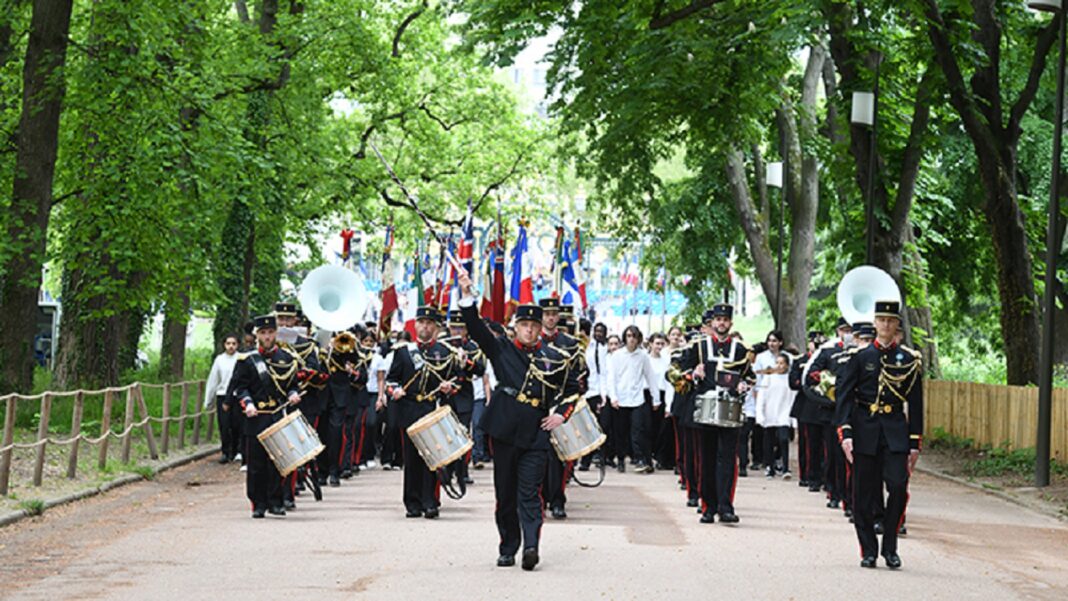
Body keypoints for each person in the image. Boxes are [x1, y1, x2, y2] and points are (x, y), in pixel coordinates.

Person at [457, 269, 581, 571]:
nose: (529, 330)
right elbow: (475, 327)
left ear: (540, 329)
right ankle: (507, 546)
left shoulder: (555, 357)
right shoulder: (501, 350)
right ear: (516, 327)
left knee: (530, 492)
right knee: (506, 493)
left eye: (533, 326)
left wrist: (559, 414)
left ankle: (531, 546)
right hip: (504, 427)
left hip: (537, 431)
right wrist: (466, 295)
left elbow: (573, 389)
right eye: (524, 325)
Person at [836, 301, 923, 569]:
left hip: (895, 432)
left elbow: (916, 404)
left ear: (897, 325)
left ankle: (890, 546)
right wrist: (846, 433)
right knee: (862, 494)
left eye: (891, 321)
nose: (886, 325)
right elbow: (844, 399)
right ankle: (868, 550)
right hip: (864, 432)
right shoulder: (860, 358)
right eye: (881, 320)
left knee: (897, 486)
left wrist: (914, 442)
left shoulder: (909, 360)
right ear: (874, 323)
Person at [667, 304, 754, 524]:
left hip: (730, 408)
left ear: (730, 323)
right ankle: (708, 507)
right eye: (718, 320)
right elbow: (674, 369)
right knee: (705, 459)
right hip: (704, 409)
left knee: (727, 460)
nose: (721, 323)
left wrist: (744, 385)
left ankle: (726, 506)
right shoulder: (698, 346)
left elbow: (749, 377)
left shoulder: (741, 349)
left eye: (725, 320)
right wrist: (692, 374)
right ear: (712, 323)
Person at [384, 306, 461, 519]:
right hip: (409, 409)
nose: (425, 326)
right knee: (411, 458)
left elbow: (458, 379)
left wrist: (449, 387)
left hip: (432, 408)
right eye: (422, 322)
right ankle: (412, 502)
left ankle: (431, 501)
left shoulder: (445, 352)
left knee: (432, 457)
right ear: (415, 324)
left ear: (435, 327)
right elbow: (391, 380)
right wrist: (395, 390)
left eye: (429, 323)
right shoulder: (403, 351)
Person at [228, 315, 304, 518]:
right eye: (263, 333)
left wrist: (293, 393)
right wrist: (248, 404)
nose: (267, 336)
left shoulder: (287, 358)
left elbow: (292, 384)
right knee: (256, 464)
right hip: (256, 417)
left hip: (277, 416)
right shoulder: (247, 360)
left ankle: (276, 501)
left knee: (278, 462)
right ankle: (258, 503)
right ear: (257, 335)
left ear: (275, 333)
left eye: (270, 332)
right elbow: (239, 388)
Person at [537, 297, 587, 519]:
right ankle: (538, 499)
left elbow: (580, 374)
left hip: (559, 405)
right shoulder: (533, 341)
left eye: (553, 314)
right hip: (537, 405)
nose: (550, 317)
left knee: (559, 456)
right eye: (546, 314)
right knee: (536, 456)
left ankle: (557, 499)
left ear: (558, 317)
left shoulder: (570, 343)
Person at [803, 318, 854, 512]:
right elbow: (811, 374)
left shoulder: (861, 352)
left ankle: (850, 497)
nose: (847, 333)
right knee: (832, 454)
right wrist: (824, 379)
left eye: (850, 330)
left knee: (851, 456)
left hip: (854, 410)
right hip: (832, 410)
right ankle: (834, 491)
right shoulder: (828, 351)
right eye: (844, 330)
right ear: (837, 331)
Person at [443, 309, 488, 489]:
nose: (457, 332)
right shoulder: (442, 346)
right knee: (447, 433)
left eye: (461, 328)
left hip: (464, 395)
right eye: (454, 328)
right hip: (446, 395)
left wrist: (466, 362)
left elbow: (480, 369)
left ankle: (462, 470)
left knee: (463, 433)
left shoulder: (473, 347)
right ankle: (446, 469)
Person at [607, 325, 659, 473]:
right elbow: (612, 378)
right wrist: (613, 397)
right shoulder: (617, 355)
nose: (631, 339)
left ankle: (640, 458)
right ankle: (621, 459)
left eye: (634, 336)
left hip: (637, 398)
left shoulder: (643, 356)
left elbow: (650, 377)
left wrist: (656, 399)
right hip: (621, 398)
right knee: (620, 431)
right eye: (629, 336)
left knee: (638, 430)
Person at [579, 322, 612, 471]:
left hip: (605, 392)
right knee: (589, 427)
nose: (598, 334)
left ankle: (603, 457)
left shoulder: (609, 350)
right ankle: (586, 460)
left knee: (603, 427)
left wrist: (605, 395)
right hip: (590, 392)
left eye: (601, 332)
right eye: (596, 331)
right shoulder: (588, 348)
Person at [756, 354, 793, 479]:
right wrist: (759, 414)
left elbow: (792, 398)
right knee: (769, 442)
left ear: (787, 365)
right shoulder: (768, 378)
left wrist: (793, 419)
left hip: (784, 413)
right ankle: (770, 467)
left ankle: (786, 468)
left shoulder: (789, 379)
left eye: (782, 363)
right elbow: (762, 397)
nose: (779, 366)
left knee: (783, 439)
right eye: (777, 363)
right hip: (770, 413)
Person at [205, 334, 241, 464]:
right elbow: (213, 380)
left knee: (237, 424)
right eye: (228, 343)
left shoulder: (241, 359)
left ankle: (237, 450)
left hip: (238, 395)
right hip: (223, 394)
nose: (231, 346)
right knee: (224, 424)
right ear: (224, 345)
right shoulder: (219, 360)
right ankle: (225, 451)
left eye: (233, 343)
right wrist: (208, 400)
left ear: (237, 345)